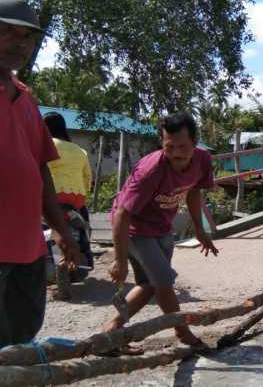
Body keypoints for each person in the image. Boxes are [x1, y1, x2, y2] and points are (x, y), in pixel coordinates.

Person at [100, 113, 219, 353]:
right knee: (163, 281)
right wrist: (119, 259)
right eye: (169, 147)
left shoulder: (202, 160)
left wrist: (200, 229)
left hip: (161, 228)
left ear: (195, 142)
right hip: (133, 228)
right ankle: (183, 334)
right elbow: (123, 213)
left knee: (148, 285)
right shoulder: (150, 169)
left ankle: (110, 332)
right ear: (161, 143)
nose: (176, 153)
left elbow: (194, 192)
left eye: (183, 146)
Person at [0, 0, 78, 346]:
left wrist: (61, 230)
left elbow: (40, 169)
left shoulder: (26, 98)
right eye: (7, 33)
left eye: (27, 37)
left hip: (28, 246)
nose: (19, 44)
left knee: (22, 336)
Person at [44, 112, 95, 282]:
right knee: (84, 224)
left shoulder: (43, 144)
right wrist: (80, 198)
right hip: (75, 199)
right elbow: (87, 178)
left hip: (50, 197)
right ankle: (86, 250)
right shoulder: (79, 151)